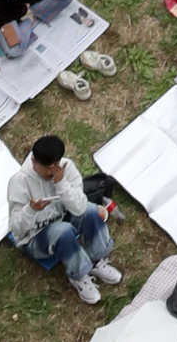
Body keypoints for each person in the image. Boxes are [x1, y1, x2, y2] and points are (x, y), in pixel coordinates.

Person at [7, 130, 120, 306]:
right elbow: (16, 229)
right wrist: (30, 210)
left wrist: (61, 184)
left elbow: (80, 207)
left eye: (55, 165)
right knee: (63, 231)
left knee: (91, 211)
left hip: (62, 217)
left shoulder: (67, 169)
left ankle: (97, 259)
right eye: (47, 168)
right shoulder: (19, 182)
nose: (52, 171)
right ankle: (79, 274)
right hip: (35, 236)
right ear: (34, 162)